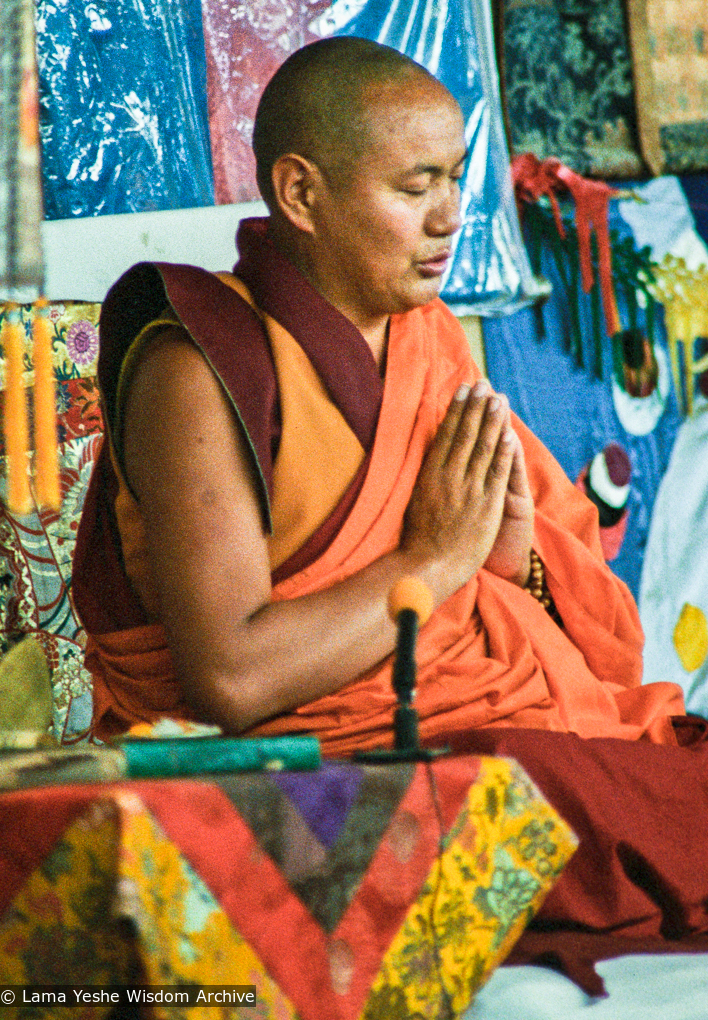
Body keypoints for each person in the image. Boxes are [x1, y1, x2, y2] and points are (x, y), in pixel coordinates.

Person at [73, 36, 686, 752]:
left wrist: (514, 559)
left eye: (457, 178)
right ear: (302, 193)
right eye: (415, 186)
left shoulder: (431, 341)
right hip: (320, 775)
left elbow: (603, 646)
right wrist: (435, 561)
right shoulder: (201, 368)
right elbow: (232, 681)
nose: (449, 215)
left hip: (509, 728)